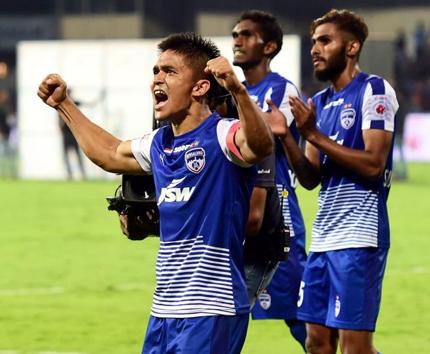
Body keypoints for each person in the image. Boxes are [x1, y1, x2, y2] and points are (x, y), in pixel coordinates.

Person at [37, 32, 274, 354]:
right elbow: (109, 153)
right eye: (155, 72)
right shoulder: (159, 144)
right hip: (164, 310)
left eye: (170, 71)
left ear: (200, 87)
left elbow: (260, 145)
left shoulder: (222, 134)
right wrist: (63, 105)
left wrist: (236, 88)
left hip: (211, 307)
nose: (157, 80)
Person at [266, 9, 398, 354]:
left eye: (325, 41)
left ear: (351, 47)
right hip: (324, 239)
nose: (315, 48)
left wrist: (313, 133)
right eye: (313, 42)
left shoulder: (374, 90)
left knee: (356, 347)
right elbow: (310, 178)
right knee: (317, 343)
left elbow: (373, 164)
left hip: (359, 238)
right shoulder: (319, 103)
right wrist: (287, 137)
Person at [231, 10, 308, 351]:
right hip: (239, 209)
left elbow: (271, 139)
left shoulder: (282, 90)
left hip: (277, 210)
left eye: (246, 35)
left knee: (300, 313)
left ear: (270, 47)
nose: (237, 40)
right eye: (235, 35)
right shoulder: (231, 95)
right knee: (228, 307)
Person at [58, 88, 86, 180]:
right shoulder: (61, 104)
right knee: (67, 155)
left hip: (73, 134)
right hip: (66, 133)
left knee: (77, 154)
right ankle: (70, 174)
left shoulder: (73, 103)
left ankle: (82, 173)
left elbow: (88, 103)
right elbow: (59, 117)